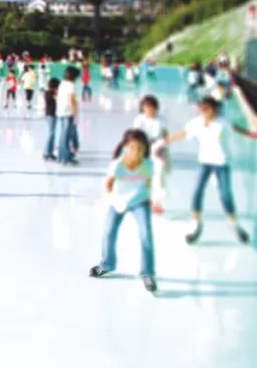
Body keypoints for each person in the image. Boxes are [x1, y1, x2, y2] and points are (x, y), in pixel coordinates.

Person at [158, 96, 256, 244]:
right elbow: (183, 133)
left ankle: (234, 224)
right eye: (203, 109)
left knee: (225, 195)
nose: (205, 112)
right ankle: (196, 224)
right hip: (205, 162)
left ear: (214, 109)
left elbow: (236, 127)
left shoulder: (222, 122)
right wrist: (165, 141)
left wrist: (250, 134)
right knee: (197, 192)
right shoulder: (196, 123)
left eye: (208, 109)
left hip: (222, 163)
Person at [89, 129, 157, 293]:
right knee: (108, 232)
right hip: (118, 202)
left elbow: (149, 182)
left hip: (140, 201)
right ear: (126, 147)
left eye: (140, 149)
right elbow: (108, 185)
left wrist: (149, 198)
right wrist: (113, 199)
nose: (136, 152)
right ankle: (107, 264)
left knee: (145, 235)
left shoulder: (148, 165)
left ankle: (147, 273)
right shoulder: (117, 165)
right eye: (133, 148)